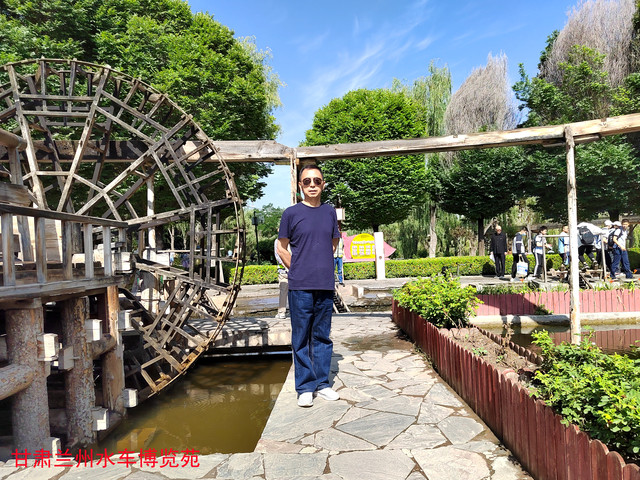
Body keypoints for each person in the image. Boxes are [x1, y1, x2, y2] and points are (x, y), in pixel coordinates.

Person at [276, 164, 341, 408]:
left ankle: (322, 384)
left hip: (325, 284)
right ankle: (305, 387)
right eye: (307, 181)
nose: (312, 185)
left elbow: (333, 242)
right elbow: (281, 247)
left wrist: (320, 264)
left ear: (323, 184)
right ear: (300, 186)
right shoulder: (290, 213)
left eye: (317, 180)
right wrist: (298, 268)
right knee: (301, 336)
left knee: (322, 335)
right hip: (300, 286)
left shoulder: (329, 212)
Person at [273, 237, 289, 319]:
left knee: (283, 291)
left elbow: (278, 255)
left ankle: (282, 312)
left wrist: (285, 265)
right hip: (294, 269)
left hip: (283, 270)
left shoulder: (277, 241)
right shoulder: (295, 239)